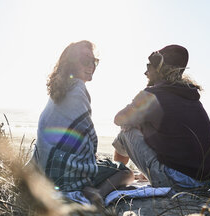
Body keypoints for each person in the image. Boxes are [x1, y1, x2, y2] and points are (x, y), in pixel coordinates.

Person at [28, 40, 134, 205]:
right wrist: (92, 159)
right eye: (85, 60)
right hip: (63, 176)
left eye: (94, 61)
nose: (91, 65)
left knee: (102, 164)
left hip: (44, 169)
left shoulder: (59, 90)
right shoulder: (78, 88)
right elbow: (89, 137)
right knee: (125, 172)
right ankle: (98, 192)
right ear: (71, 64)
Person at [112, 44, 210, 190]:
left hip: (176, 181)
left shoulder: (153, 95)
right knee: (149, 127)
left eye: (148, 66)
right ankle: (140, 172)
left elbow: (118, 119)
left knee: (125, 132)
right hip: (206, 182)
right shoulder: (190, 96)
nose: (145, 72)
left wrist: (134, 119)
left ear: (159, 68)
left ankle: (113, 176)